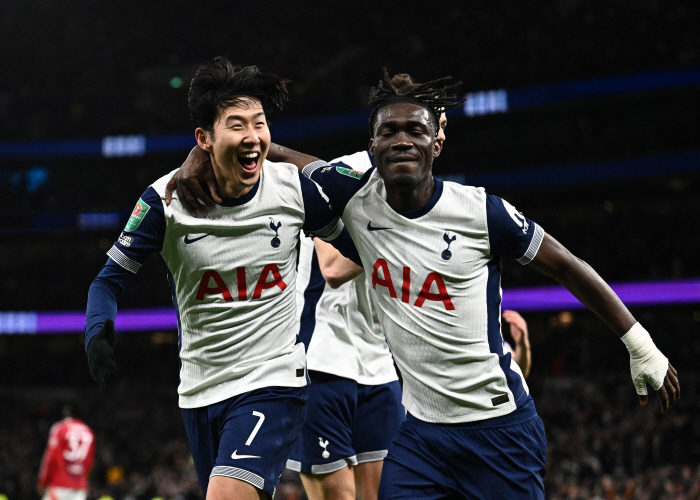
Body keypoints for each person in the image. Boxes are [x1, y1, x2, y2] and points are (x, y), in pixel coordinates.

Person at [166, 70, 680, 498]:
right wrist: (207, 153)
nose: (401, 140)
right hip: (420, 438)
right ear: (371, 147)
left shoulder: (481, 211)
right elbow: (280, 158)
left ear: (439, 138)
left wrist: (640, 345)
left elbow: (567, 265)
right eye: (388, 132)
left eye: (415, 130)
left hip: (498, 431)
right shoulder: (357, 199)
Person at [84, 58, 359, 500]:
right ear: (204, 139)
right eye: (237, 125)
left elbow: (356, 245)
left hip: (274, 380)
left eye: (260, 123)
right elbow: (108, 279)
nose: (253, 137)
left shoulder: (293, 189)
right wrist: (97, 328)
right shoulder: (164, 201)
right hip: (200, 389)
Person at [38, 405, 95, 500]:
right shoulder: (89, 432)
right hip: (79, 487)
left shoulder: (60, 428)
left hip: (59, 484)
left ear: (67, 412)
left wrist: (43, 482)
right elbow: (89, 463)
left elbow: (50, 458)